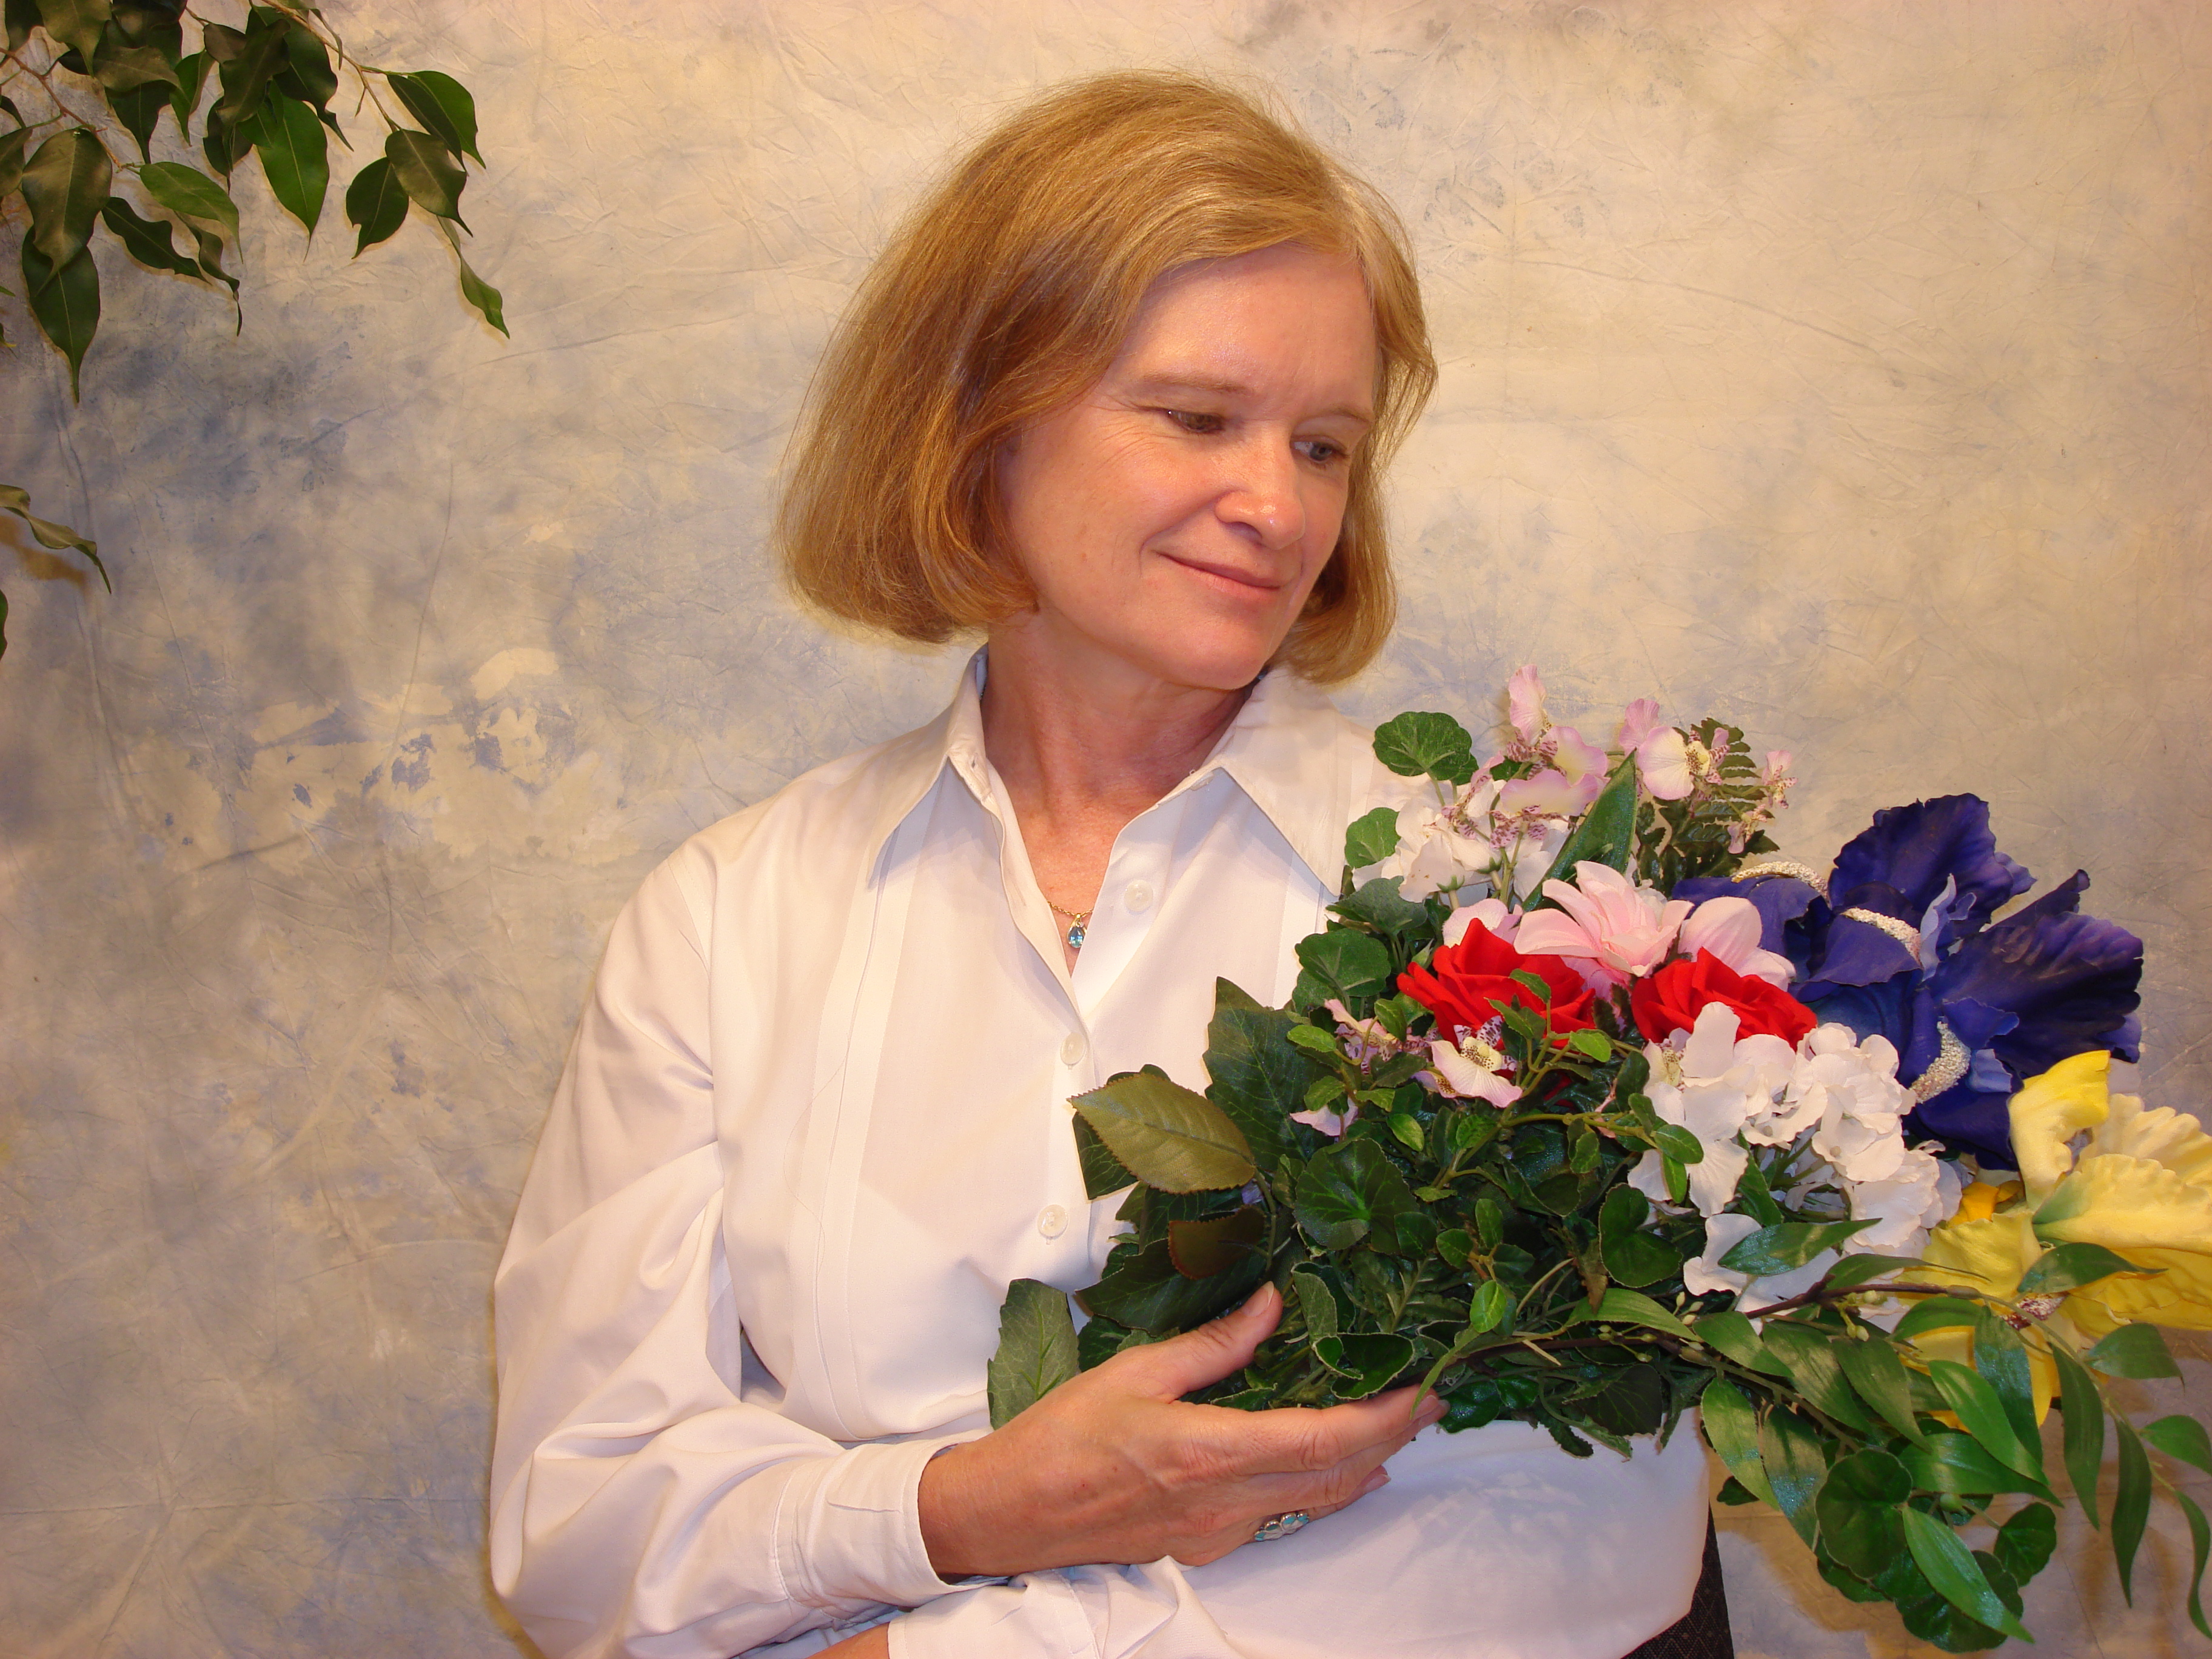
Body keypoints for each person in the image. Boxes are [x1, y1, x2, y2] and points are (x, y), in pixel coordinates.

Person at [489, 72, 1718, 1659]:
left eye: (1325, 445)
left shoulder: (1506, 909)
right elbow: (582, 1526)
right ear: (977, 420)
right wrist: (965, 1510)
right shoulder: (726, 921)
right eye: (1198, 418)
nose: (1277, 506)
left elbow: (1586, 1516)